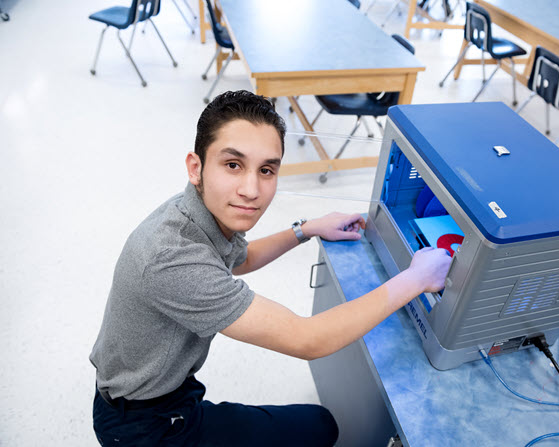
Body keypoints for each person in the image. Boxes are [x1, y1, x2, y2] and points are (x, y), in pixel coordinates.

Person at [90, 90, 452, 446]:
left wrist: (306, 229)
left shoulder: (194, 211)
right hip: (145, 426)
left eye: (266, 170)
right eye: (233, 165)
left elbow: (240, 260)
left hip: (167, 392)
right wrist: (417, 278)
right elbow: (308, 339)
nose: (251, 189)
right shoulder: (172, 257)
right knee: (321, 427)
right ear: (195, 167)